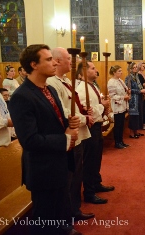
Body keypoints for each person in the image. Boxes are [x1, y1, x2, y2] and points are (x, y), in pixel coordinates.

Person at [8, 44, 81, 235]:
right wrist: (65, 139)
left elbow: (52, 119)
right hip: (43, 169)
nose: (54, 62)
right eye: (48, 59)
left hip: (58, 163)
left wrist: (68, 120)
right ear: (34, 64)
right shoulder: (21, 96)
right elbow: (29, 140)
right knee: (44, 219)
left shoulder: (49, 89)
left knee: (58, 211)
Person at [47, 47, 95, 222]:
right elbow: (65, 111)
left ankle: (75, 209)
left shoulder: (66, 80)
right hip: (69, 135)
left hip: (78, 134)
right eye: (69, 58)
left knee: (77, 176)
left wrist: (85, 113)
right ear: (58, 61)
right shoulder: (53, 83)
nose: (72, 62)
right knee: (69, 178)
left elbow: (75, 103)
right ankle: (67, 215)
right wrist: (85, 118)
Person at [77, 61, 115, 204]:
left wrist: (103, 108)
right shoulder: (82, 90)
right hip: (90, 127)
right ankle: (89, 192)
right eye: (92, 68)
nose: (96, 70)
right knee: (90, 160)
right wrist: (102, 105)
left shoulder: (91, 86)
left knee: (96, 158)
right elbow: (88, 111)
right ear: (83, 73)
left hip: (97, 126)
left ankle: (96, 182)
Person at [108, 65, 130, 149]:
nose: (121, 72)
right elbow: (112, 96)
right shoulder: (111, 82)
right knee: (117, 125)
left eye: (121, 71)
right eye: (119, 71)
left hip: (123, 105)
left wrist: (128, 91)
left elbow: (125, 89)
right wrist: (123, 97)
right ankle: (117, 142)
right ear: (114, 72)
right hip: (117, 105)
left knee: (121, 124)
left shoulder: (120, 80)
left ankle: (121, 141)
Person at [125, 62, 145, 138]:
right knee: (133, 116)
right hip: (133, 99)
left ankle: (136, 131)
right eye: (134, 67)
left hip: (139, 98)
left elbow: (139, 87)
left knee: (138, 115)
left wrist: (143, 91)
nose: (135, 69)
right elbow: (129, 90)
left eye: (136, 67)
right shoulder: (128, 78)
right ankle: (131, 133)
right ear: (130, 69)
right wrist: (140, 91)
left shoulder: (136, 77)